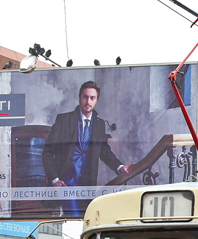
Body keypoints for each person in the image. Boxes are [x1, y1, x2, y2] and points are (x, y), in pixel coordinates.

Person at [42, 81, 132, 215]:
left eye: (92, 98)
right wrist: (54, 179)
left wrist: (119, 167)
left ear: (97, 100)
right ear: (79, 98)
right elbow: (47, 152)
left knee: (85, 218)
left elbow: (104, 151)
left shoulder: (99, 124)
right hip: (66, 182)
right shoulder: (64, 120)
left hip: (87, 184)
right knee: (73, 216)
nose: (88, 101)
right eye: (85, 97)